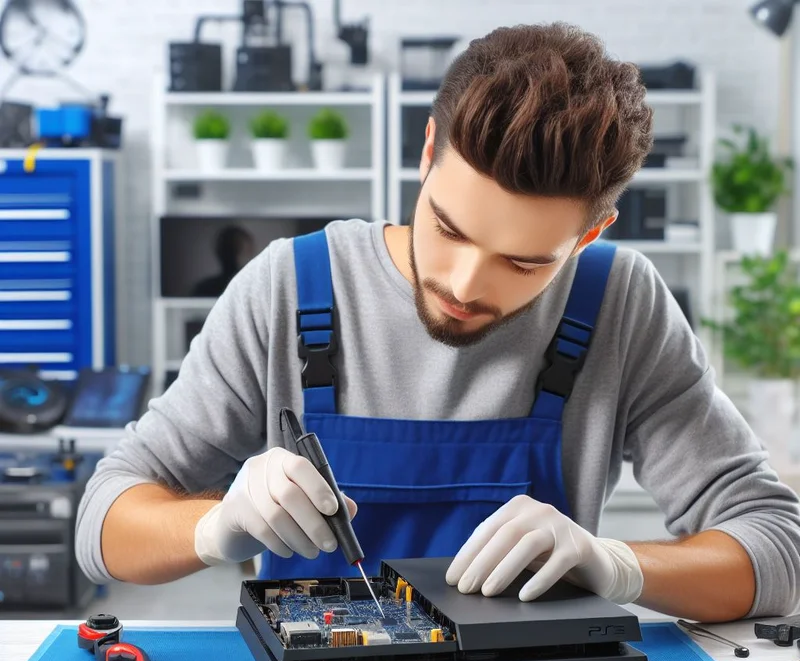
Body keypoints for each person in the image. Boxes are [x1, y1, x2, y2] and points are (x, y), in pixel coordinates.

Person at [76, 23, 800, 624]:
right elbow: (102, 524)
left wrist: (616, 565)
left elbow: (775, 548)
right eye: (448, 229)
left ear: (588, 236)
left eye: (521, 263)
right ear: (427, 155)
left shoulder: (619, 303)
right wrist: (213, 526)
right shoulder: (288, 288)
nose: (462, 284)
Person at [192, 224, 256, 298]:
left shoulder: (257, 289)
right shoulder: (204, 290)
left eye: (246, 251)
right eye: (233, 249)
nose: (236, 257)